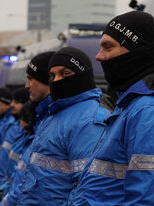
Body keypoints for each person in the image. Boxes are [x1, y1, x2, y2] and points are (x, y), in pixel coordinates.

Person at [70, 11, 154, 205]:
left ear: (137, 52)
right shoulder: (132, 105)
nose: (99, 57)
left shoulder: (152, 110)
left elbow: (149, 197)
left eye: (108, 47)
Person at [17, 47, 110, 205]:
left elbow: (88, 188)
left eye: (65, 73)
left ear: (83, 75)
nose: (57, 80)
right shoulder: (55, 114)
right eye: (52, 76)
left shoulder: (90, 119)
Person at [0, 51, 55, 206]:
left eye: (31, 79)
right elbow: (21, 171)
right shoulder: (41, 120)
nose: (26, 86)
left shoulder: (54, 122)